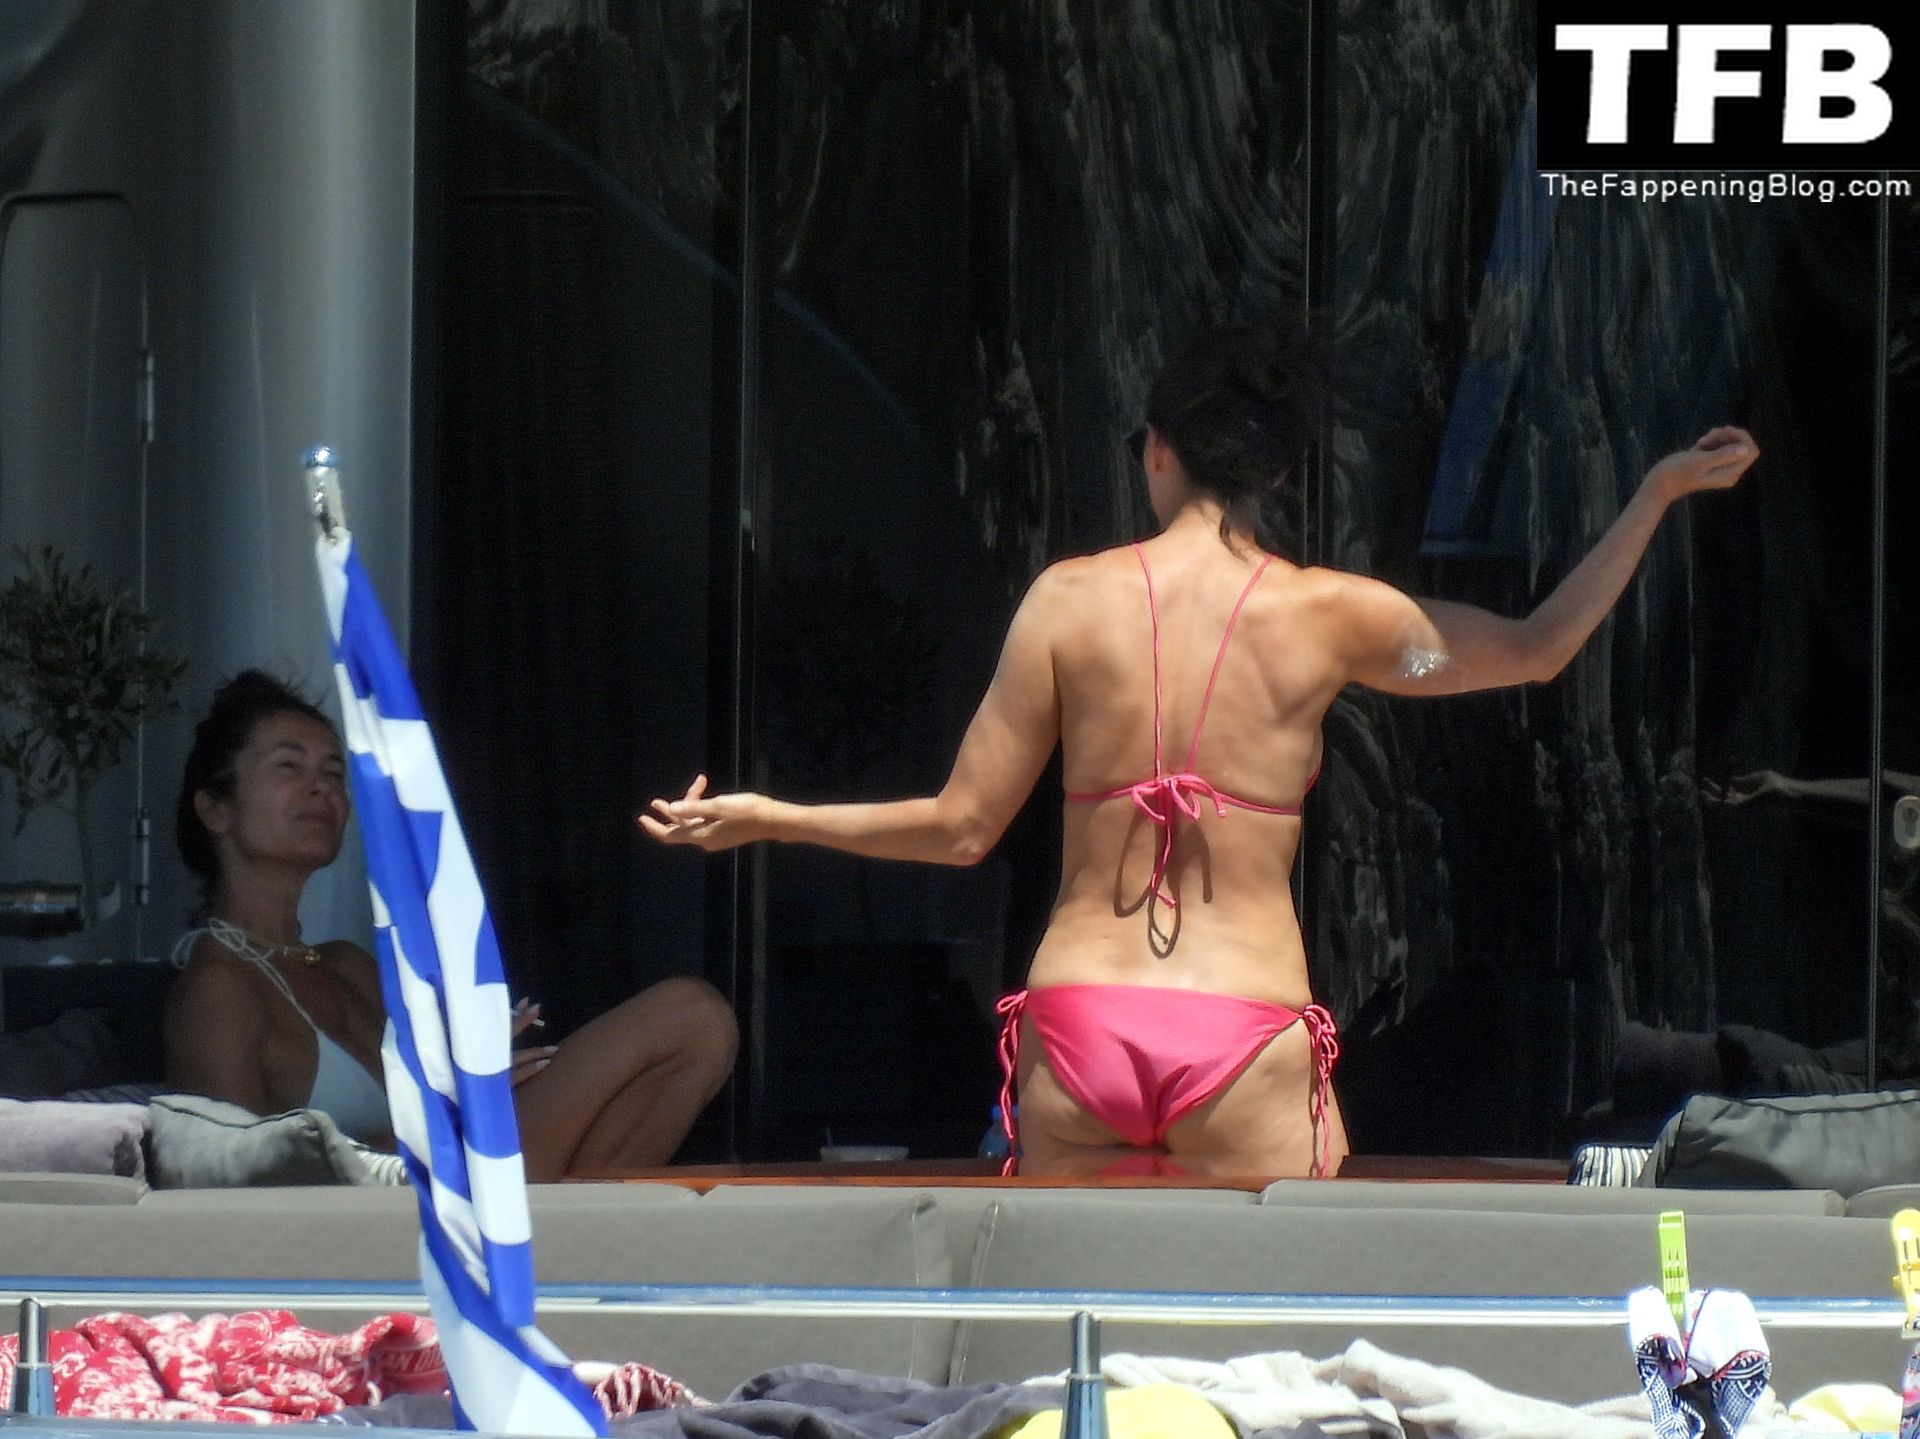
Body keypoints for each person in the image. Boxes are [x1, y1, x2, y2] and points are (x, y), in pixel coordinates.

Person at [641, 315, 1758, 1178]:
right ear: (1271, 474)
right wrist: (1657, 492)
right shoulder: (1330, 615)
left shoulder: (1067, 599)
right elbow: (1540, 648)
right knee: (1266, 1347)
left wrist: (770, 815)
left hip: (1082, 1018)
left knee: (1073, 1343)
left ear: (1159, 452)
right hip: (1243, 1032)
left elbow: (962, 827)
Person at [165, 670, 738, 1181]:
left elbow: (441, 1103)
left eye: (335, 772)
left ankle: (572, 1242)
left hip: (448, 1180)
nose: (322, 788)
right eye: (289, 766)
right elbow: (237, 1189)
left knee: (698, 1027)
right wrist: (450, 1111)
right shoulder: (219, 988)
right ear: (215, 808)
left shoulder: (344, 964)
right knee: (689, 1013)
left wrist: (470, 1079)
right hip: (375, 1220)